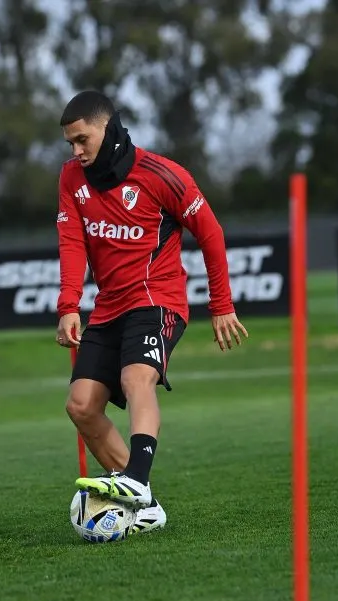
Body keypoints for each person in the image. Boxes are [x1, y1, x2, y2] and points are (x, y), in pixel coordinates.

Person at [55, 90, 248, 534]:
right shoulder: (70, 179)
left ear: (108, 128)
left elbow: (211, 233)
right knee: (81, 406)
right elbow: (72, 243)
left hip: (157, 298)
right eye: (70, 143)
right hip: (107, 308)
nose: (76, 150)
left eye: (82, 139)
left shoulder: (161, 174)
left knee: (135, 377)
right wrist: (69, 306)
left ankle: (135, 480)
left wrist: (221, 305)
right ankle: (147, 506)